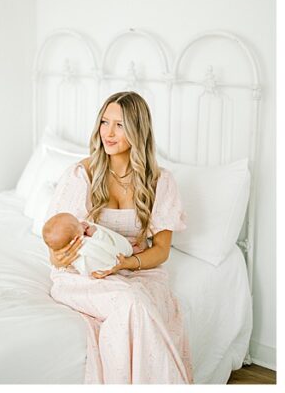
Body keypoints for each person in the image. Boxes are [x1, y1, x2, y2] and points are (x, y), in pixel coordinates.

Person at [46, 91, 193, 384]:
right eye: (104, 122)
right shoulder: (81, 175)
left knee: (136, 301)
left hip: (138, 271)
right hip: (84, 276)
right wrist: (60, 256)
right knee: (131, 303)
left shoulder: (159, 181)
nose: (108, 133)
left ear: (138, 130)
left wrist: (125, 264)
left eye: (120, 125)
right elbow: (56, 249)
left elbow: (161, 250)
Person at [42, 212, 134, 279]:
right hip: (102, 269)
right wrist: (96, 233)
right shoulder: (86, 245)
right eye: (78, 224)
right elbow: (107, 251)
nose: (81, 223)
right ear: (76, 238)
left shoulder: (64, 239)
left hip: (86, 275)